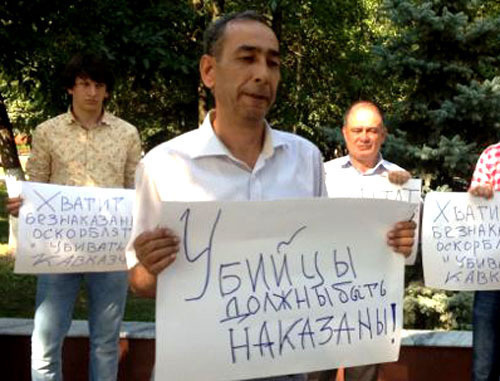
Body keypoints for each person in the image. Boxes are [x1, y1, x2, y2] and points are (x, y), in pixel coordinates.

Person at [126, 11, 416, 381]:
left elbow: (321, 261)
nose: (262, 74)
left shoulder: (305, 158)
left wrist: (383, 247)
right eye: (247, 58)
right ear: (209, 71)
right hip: (196, 369)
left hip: (287, 367)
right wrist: (150, 267)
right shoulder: (164, 165)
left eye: (273, 62)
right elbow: (139, 284)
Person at [6, 53, 142, 381]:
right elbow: (36, 183)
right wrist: (22, 203)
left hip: (109, 250)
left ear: (107, 91)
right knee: (45, 340)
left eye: (98, 85)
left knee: (106, 342)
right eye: (84, 84)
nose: (91, 92)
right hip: (57, 250)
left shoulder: (126, 133)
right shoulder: (47, 131)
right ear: (71, 88)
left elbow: (134, 188)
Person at [319, 101, 412, 381]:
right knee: (313, 374)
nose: (364, 136)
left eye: (372, 130)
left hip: (370, 295)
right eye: (357, 129)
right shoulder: (322, 174)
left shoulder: (400, 180)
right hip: (319, 291)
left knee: (363, 377)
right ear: (344, 133)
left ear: (383, 135)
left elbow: (410, 249)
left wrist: (405, 196)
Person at [469, 146, 500, 381]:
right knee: (483, 366)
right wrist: (479, 193)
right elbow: (473, 204)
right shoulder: (491, 155)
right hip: (491, 275)